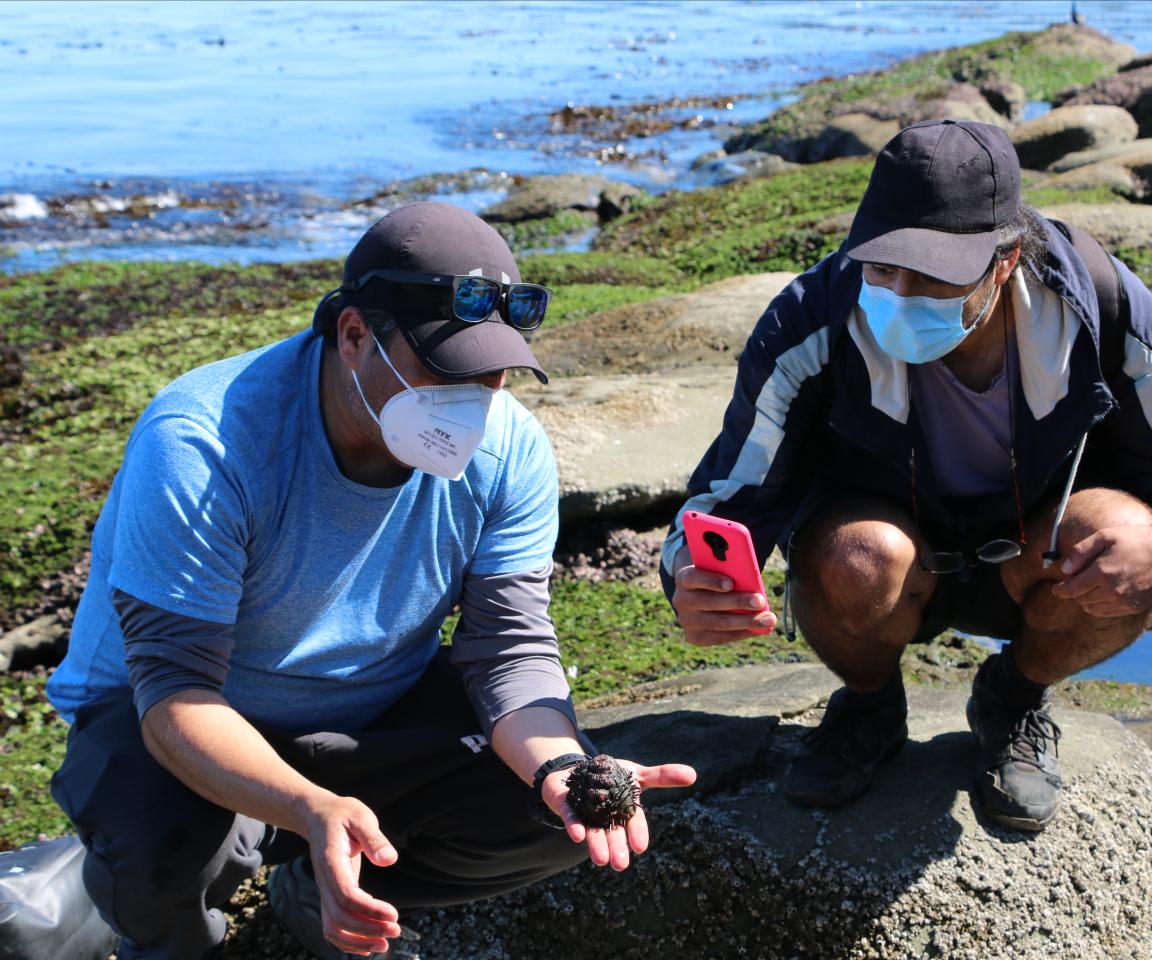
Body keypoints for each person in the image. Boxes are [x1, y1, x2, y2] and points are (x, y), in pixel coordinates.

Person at [46, 201, 695, 960]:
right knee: (161, 855)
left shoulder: (507, 448)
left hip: (374, 708)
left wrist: (561, 767)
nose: (472, 402)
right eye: (444, 371)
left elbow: (510, 650)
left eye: (491, 376)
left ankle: (334, 887)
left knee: (555, 817)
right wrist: (310, 806)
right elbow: (174, 696)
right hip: (180, 715)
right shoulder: (206, 441)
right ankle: (153, 928)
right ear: (354, 336)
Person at [661, 119, 1152, 832]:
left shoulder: (1100, 307)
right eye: (883, 267)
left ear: (1005, 260)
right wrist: (691, 580)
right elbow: (726, 494)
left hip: (1039, 565)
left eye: (933, 275)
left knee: (1129, 531)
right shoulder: (814, 319)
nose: (899, 292)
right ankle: (869, 707)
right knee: (858, 557)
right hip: (886, 565)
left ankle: (1014, 698)